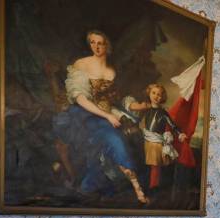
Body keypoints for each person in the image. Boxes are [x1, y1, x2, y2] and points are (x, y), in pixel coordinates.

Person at [53, 30, 149, 204]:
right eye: (92, 42)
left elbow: (115, 99)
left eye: (100, 43)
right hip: (83, 114)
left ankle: (93, 185)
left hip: (106, 114)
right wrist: (107, 116)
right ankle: (136, 187)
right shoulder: (81, 64)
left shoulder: (113, 70)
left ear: (107, 45)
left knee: (130, 137)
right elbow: (80, 98)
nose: (96, 46)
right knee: (111, 139)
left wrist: (125, 110)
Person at [129, 83, 186, 190]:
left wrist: (180, 134)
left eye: (159, 95)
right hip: (146, 140)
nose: (156, 96)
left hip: (156, 142)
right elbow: (138, 121)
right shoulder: (146, 110)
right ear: (149, 94)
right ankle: (146, 185)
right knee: (146, 163)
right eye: (154, 93)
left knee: (155, 165)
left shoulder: (163, 112)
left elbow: (172, 125)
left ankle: (154, 186)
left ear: (162, 97)